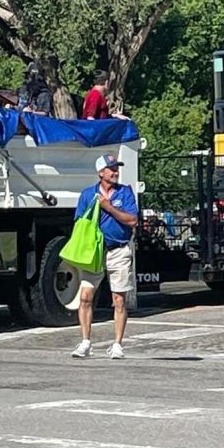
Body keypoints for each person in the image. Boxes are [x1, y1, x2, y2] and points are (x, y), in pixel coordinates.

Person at [71, 152, 139, 360]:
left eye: (116, 168)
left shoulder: (125, 193)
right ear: (101, 172)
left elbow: (132, 220)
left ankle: (117, 344)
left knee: (119, 299)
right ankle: (85, 342)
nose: (115, 172)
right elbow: (79, 223)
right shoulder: (87, 194)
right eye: (111, 169)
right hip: (95, 252)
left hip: (118, 250)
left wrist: (108, 207)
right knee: (85, 297)